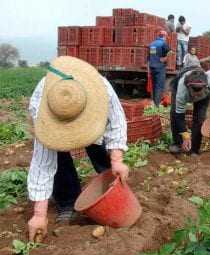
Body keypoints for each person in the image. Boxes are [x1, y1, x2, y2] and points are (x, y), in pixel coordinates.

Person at [27, 56, 129, 242]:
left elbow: (117, 122)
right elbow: (43, 164)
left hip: (94, 124)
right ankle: (67, 202)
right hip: (52, 124)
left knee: (100, 148)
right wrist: (39, 215)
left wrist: (117, 160)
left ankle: (113, 186)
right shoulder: (42, 108)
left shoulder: (101, 87)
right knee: (58, 156)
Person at [168, 67, 210, 155]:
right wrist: (185, 136)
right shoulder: (182, 92)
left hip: (204, 96)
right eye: (195, 92)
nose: (197, 95)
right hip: (181, 84)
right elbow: (179, 116)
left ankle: (194, 149)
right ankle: (177, 144)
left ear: (206, 86)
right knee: (174, 114)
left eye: (199, 92)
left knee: (199, 119)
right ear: (188, 87)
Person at [148, 30, 171, 106]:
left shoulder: (153, 44)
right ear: (164, 36)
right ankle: (157, 105)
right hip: (160, 67)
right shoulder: (163, 43)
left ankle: (154, 102)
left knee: (154, 86)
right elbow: (170, 52)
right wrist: (165, 58)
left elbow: (152, 55)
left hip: (152, 67)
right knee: (159, 86)